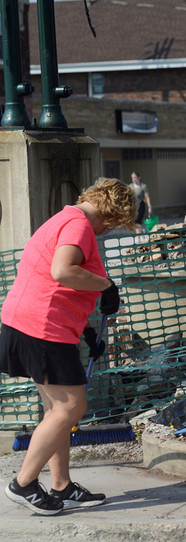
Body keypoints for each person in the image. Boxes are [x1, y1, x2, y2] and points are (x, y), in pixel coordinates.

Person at [1, 177, 136, 515]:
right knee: (71, 407)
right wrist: (106, 285)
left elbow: (50, 281)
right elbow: (62, 271)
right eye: (114, 224)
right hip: (43, 329)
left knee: (56, 411)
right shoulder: (79, 225)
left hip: (27, 323)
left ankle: (61, 485)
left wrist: (86, 329)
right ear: (112, 213)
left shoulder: (62, 218)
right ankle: (23, 483)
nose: (108, 231)